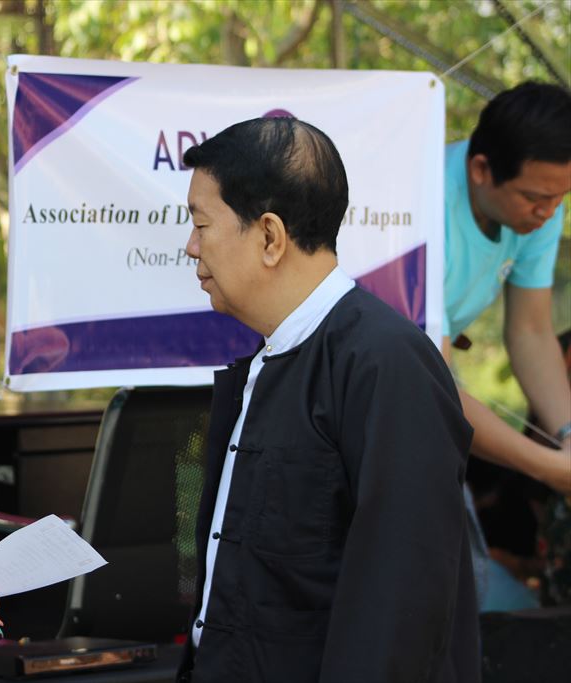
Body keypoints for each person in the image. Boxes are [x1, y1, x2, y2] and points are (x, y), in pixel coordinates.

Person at [177, 118, 478, 683]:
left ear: (270, 237)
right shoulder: (271, 357)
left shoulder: (386, 362)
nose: (191, 246)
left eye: (201, 224)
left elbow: (402, 605)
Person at [442, 82, 571, 496]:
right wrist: (546, 467)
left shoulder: (542, 207)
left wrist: (568, 434)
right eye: (535, 197)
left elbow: (531, 331)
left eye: (560, 197)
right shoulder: (425, 207)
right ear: (481, 170)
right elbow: (429, 385)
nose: (548, 213)